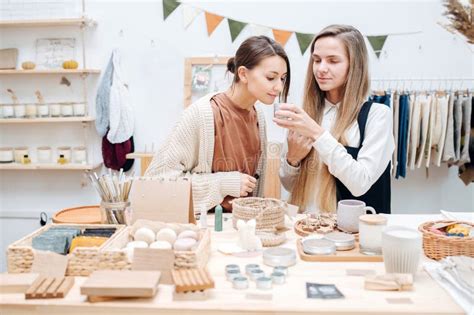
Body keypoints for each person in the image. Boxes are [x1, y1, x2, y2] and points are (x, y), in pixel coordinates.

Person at [146, 35, 290, 214]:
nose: (279, 87)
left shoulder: (258, 115)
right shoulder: (201, 114)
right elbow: (155, 183)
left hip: (242, 229)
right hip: (203, 231)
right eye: (271, 78)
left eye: (283, 79)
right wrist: (223, 183)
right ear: (243, 74)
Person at [275, 25, 394, 214]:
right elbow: (290, 186)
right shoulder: (306, 114)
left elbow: (360, 183)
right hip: (306, 228)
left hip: (353, 235)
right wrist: (293, 160)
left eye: (333, 61)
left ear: (354, 65)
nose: (321, 69)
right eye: (317, 60)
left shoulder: (377, 115)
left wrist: (316, 133)